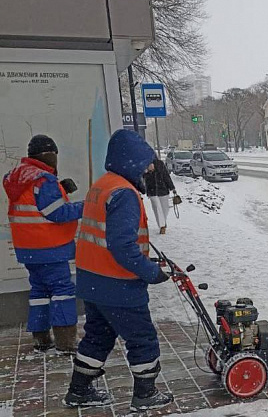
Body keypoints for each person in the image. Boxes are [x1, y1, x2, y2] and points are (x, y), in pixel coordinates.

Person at [63, 129, 173, 412]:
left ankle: (79, 390)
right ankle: (145, 394)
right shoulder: (124, 194)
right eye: (147, 161)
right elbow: (122, 247)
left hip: (92, 281)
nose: (150, 168)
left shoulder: (102, 185)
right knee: (142, 338)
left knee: (98, 336)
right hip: (118, 285)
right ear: (131, 160)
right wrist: (151, 272)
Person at [2, 134, 83, 354]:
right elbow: (56, 212)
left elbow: (33, 204)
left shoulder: (16, 176)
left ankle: (41, 339)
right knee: (62, 290)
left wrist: (61, 190)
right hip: (49, 248)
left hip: (27, 249)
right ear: (49, 155)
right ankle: (66, 341)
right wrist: (86, 206)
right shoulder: (44, 180)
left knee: (39, 291)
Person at [143, 157, 176, 234]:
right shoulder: (144, 164)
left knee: (165, 209)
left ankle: (163, 222)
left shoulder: (160, 164)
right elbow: (142, 178)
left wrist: (172, 188)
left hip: (163, 190)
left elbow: (166, 176)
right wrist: (148, 172)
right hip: (152, 191)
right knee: (157, 208)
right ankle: (162, 226)